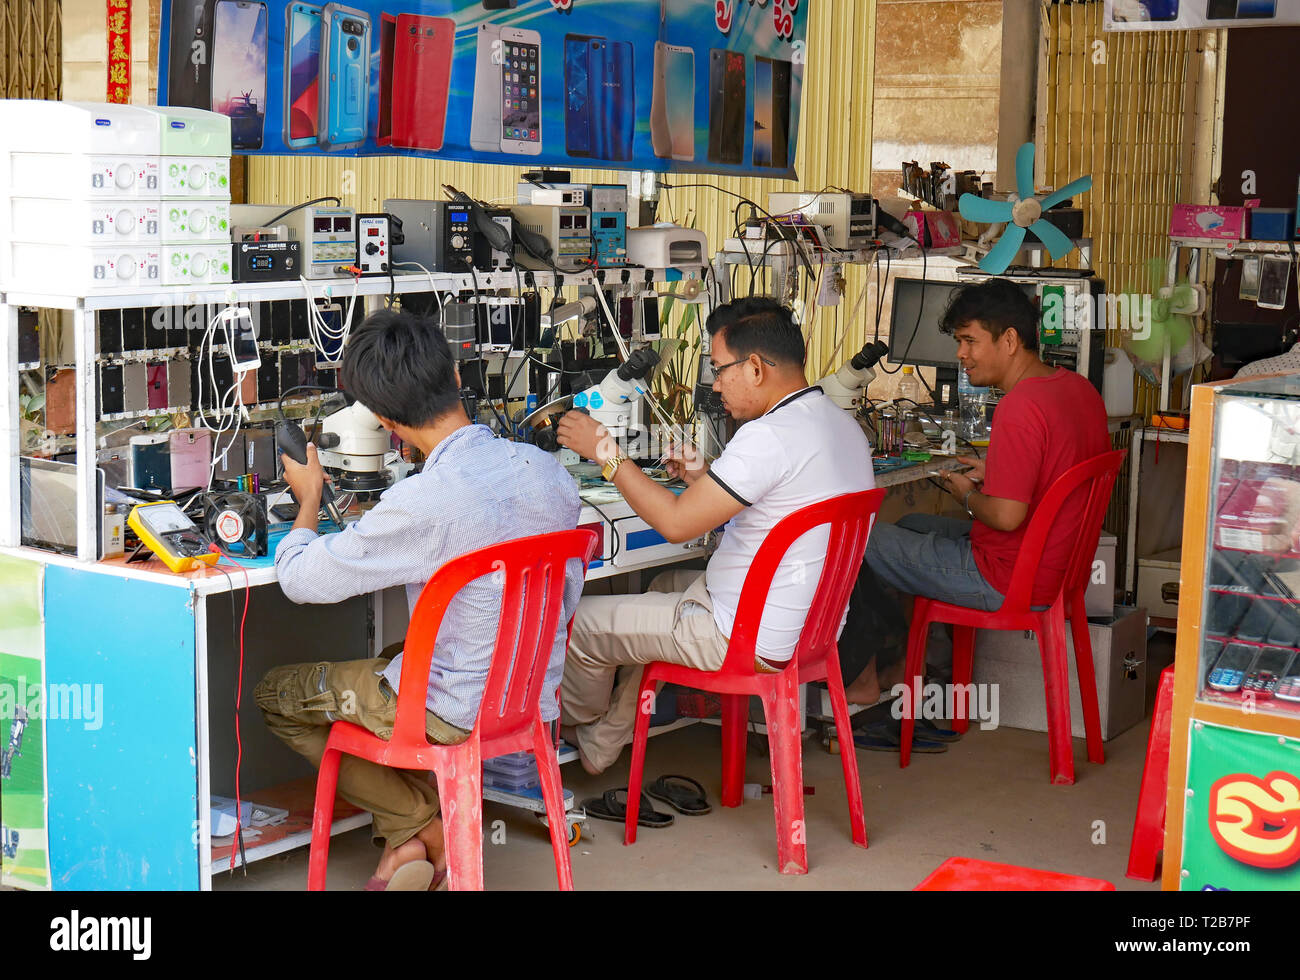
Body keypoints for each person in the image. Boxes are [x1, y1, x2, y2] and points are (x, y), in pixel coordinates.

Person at [255, 310, 583, 890]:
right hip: (525, 695)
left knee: (277, 695)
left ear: (384, 421)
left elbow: (303, 581)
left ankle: (417, 826)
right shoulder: (547, 472)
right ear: (457, 374)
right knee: (391, 654)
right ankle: (414, 837)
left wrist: (307, 500)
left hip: (451, 709)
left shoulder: (421, 502)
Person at [554, 297, 875, 775]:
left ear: (756, 369)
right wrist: (705, 478)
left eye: (721, 369)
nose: (716, 382)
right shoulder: (839, 424)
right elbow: (774, 501)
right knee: (661, 589)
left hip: (740, 634)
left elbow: (677, 524)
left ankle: (576, 725)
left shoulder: (766, 437)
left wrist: (605, 452)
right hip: (812, 630)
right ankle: (606, 741)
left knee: (575, 625)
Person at [853, 278, 1110, 703]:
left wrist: (965, 495)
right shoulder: (1075, 388)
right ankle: (911, 660)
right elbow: (1057, 469)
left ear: (1009, 340)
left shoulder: (1020, 406)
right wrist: (997, 470)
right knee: (912, 523)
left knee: (861, 540)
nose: (961, 354)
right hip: (1062, 572)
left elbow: (1008, 517)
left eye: (969, 341)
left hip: (1009, 579)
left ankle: (863, 676)